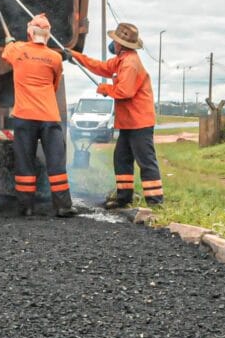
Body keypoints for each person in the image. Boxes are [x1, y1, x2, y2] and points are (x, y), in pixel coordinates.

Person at [68, 22, 164, 208]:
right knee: (121, 158)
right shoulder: (121, 59)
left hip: (139, 122)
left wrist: (105, 88)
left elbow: (125, 91)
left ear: (121, 44)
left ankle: (156, 203)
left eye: (115, 40)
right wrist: (75, 56)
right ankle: (124, 198)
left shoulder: (130, 64)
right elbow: (101, 67)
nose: (113, 43)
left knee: (145, 161)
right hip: (128, 122)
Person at [2, 14, 78, 218]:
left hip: (25, 116)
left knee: (25, 161)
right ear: (48, 36)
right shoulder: (54, 57)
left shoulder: (17, 50)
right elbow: (54, 84)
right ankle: (63, 206)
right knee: (56, 162)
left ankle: (26, 207)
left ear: (29, 33)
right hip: (49, 116)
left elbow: (6, 54)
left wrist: (9, 42)